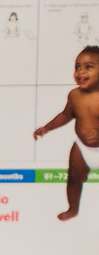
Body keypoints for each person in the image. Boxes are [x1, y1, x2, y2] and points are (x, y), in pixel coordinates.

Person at [33, 45, 99, 221]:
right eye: (77, 67)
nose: (80, 71)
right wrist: (46, 128)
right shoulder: (74, 95)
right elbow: (65, 115)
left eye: (88, 67)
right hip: (83, 147)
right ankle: (73, 208)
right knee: (73, 178)